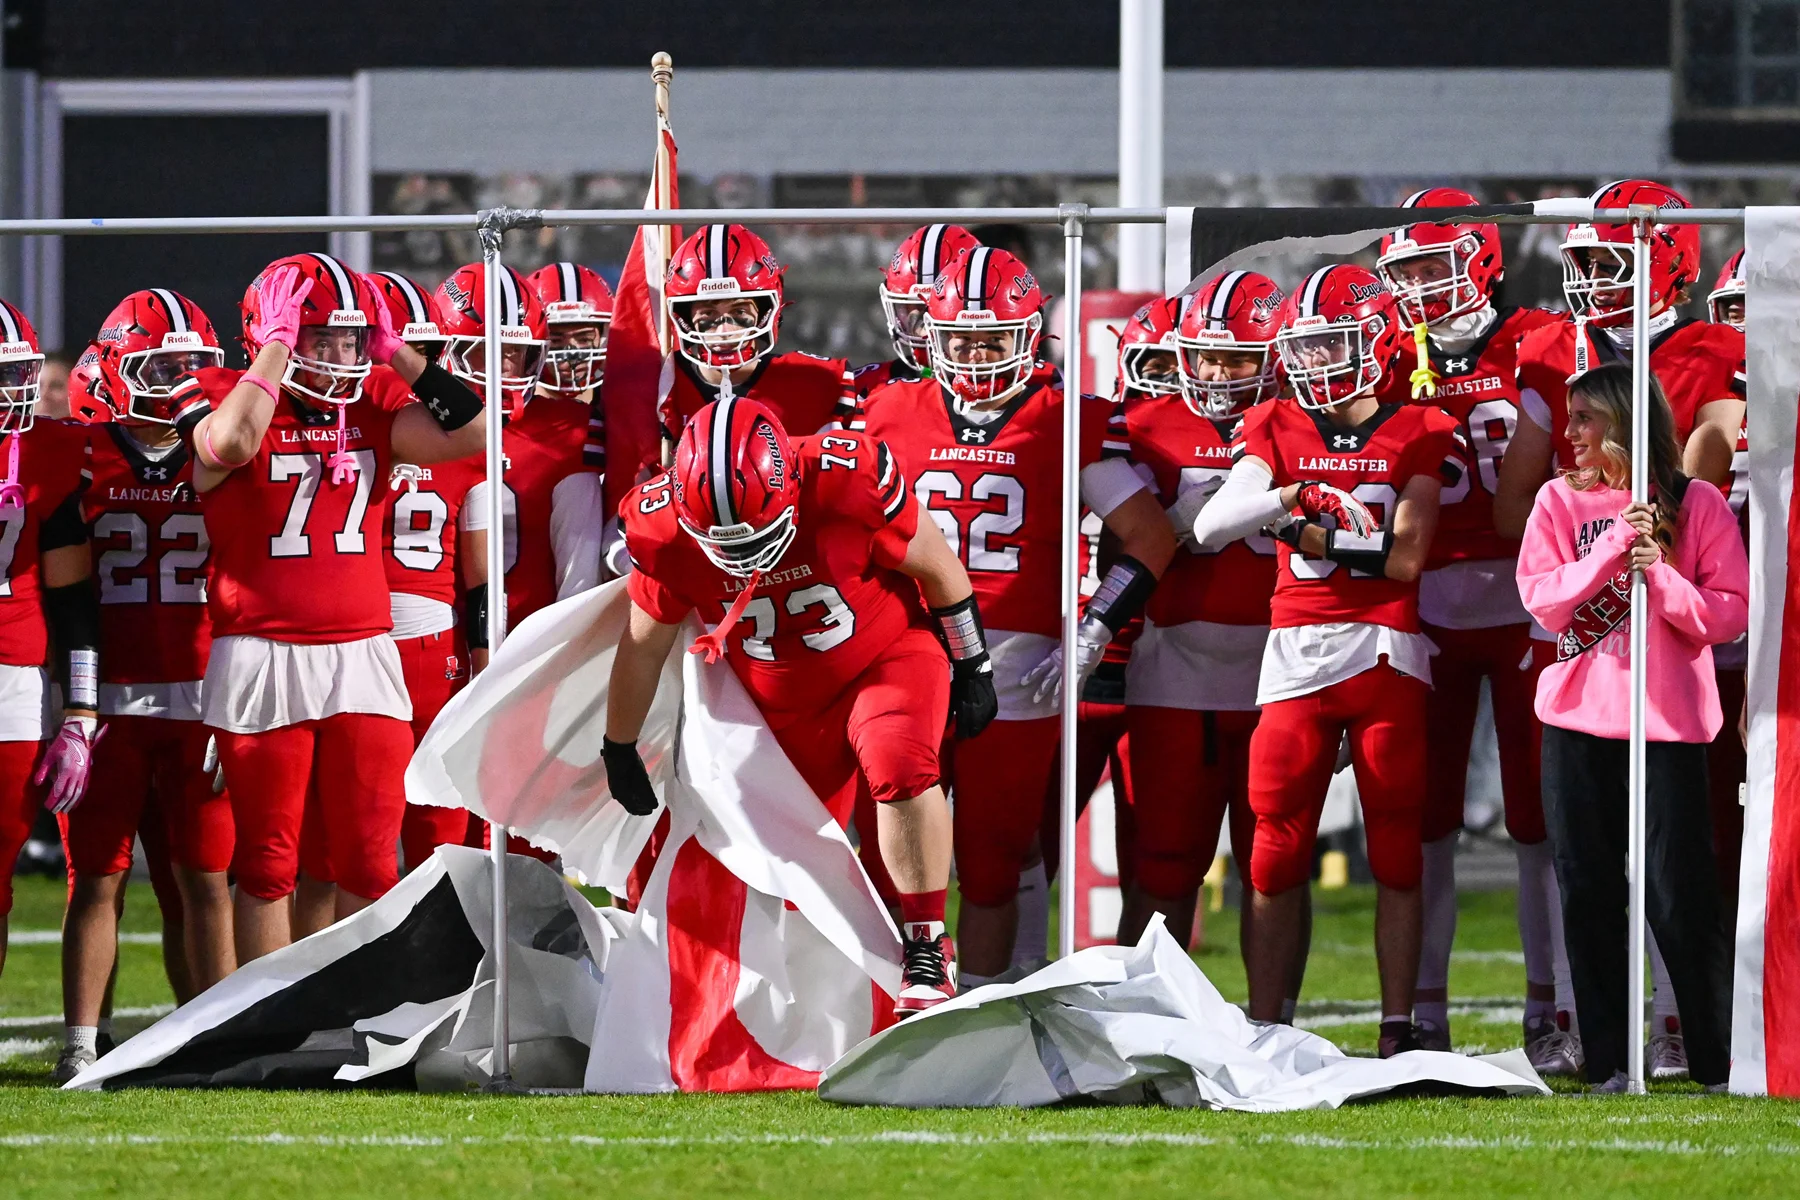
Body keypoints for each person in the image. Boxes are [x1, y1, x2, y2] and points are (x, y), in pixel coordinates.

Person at [606, 396, 998, 1014]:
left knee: (897, 760)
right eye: (721, 541)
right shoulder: (662, 532)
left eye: (755, 536)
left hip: (885, 653)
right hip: (774, 700)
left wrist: (973, 662)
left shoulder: (847, 481)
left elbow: (938, 569)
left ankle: (927, 943)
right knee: (760, 855)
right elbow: (640, 647)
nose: (739, 557)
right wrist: (618, 744)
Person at [861, 246, 1176, 986]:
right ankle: (887, 999)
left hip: (1018, 665)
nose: (975, 354)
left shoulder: (1065, 420)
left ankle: (982, 1002)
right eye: (961, 338)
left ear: (1029, 336)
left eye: (992, 339)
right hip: (909, 655)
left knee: (995, 856)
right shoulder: (882, 410)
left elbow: (1150, 536)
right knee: (890, 848)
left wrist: (1094, 628)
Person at [1497, 179, 1745, 1075]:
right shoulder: (1555, 371)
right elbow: (1526, 541)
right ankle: (1598, 1041)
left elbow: (1718, 460)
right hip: (1582, 692)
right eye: (1585, 260)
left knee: (1686, 885)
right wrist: (1611, 550)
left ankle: (1700, 1041)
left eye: (1611, 259)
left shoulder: (1713, 360)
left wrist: (1667, 531)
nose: (1591, 278)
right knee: (1587, 881)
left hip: (1676, 691)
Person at [1193, 264, 1464, 1056]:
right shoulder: (1275, 422)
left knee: (1394, 847)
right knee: (1273, 849)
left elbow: (1406, 560)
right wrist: (1288, 499)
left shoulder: (1420, 426)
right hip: (1294, 654)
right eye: (1305, 348)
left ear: (1376, 339)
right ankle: (1269, 1024)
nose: (1315, 363)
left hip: (1385, 650)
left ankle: (1395, 1030)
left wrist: (1306, 533)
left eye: (1332, 344)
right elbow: (1214, 526)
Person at [190, 252, 486, 963]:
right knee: (268, 864)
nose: (338, 357)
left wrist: (396, 354)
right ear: (274, 332)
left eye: (350, 340)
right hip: (262, 652)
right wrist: (277, 349)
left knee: (369, 859)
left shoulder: (375, 409)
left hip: (362, 651)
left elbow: (475, 432)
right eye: (320, 338)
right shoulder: (221, 394)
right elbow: (230, 443)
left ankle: (354, 1014)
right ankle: (269, 1024)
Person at [1374, 188, 1575, 1066]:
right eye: (1404, 272)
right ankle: (1425, 1011)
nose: (1416, 288)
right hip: (1426, 609)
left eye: (1432, 266)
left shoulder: (1541, 338)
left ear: (1482, 260)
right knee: (1426, 821)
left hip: (1532, 601)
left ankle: (1554, 1008)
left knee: (1539, 821)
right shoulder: (1380, 355)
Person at [53, 292, 238, 1082]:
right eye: (160, 365)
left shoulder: (226, 448)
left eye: (191, 366)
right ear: (116, 369)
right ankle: (81, 1043)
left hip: (200, 698)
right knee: (96, 879)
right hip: (110, 704)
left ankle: (215, 1038)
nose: (177, 380)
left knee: (204, 882)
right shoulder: (82, 453)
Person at [1117, 274, 1285, 975]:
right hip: (1171, 668)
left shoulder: (1304, 418)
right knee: (1161, 865)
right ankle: (1135, 1019)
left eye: (1238, 359)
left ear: (1274, 355)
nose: (1217, 373)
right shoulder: (1141, 426)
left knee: (1273, 870)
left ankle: (1271, 1023)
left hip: (1278, 671)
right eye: (1204, 356)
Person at [363, 275, 486, 872]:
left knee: (387, 832)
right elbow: (481, 583)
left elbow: (482, 578)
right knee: (419, 831)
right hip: (400, 641)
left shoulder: (344, 432)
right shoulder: (458, 442)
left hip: (373, 641)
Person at [0, 299, 99, 987]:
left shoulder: (47, 452)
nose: (17, 391)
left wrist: (81, 710)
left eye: (19, 373)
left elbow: (73, 599)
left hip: (11, 674)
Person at [440, 261, 603, 642]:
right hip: (438, 635)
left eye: (515, 351)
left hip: (532, 636)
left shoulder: (572, 426)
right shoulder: (415, 428)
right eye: (488, 350)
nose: (503, 364)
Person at [653, 224, 857, 456]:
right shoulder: (661, 386)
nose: (725, 329)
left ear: (767, 310)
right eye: (708, 314)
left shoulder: (821, 383)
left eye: (740, 312)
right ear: (683, 316)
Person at [853, 224, 983, 402]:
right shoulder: (869, 387)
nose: (926, 329)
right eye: (917, 309)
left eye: (941, 312)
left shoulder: (1025, 391)